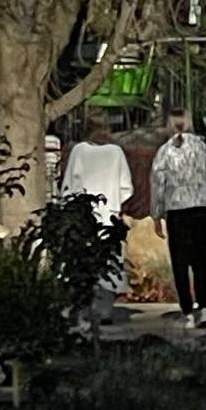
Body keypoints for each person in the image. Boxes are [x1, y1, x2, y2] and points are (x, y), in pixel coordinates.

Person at [150, 108, 206, 332]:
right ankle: (204, 308)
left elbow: (158, 183)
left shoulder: (165, 151)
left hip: (178, 210)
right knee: (200, 260)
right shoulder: (205, 146)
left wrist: (156, 214)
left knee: (180, 262)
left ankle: (187, 311)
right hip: (203, 208)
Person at [58, 114, 137, 331]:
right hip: (109, 213)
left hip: (84, 214)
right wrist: (114, 203)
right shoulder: (116, 153)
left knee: (83, 258)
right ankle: (105, 309)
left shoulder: (79, 151)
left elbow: (69, 186)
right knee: (109, 259)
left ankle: (84, 307)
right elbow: (126, 187)